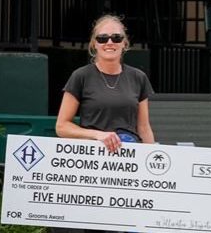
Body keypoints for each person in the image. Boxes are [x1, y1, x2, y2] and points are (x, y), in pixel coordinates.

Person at [56, 14, 155, 155]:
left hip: (129, 156)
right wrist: (97, 135)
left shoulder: (138, 77)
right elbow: (61, 126)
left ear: (124, 43)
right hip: (92, 156)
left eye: (116, 38)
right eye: (102, 38)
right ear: (94, 44)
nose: (110, 42)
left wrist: (149, 160)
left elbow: (144, 127)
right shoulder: (81, 76)